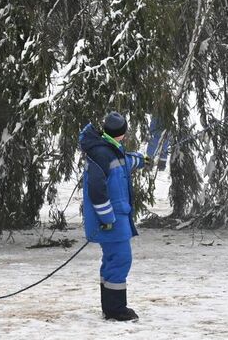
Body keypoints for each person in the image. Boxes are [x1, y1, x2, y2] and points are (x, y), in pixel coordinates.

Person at [79, 111, 145, 322]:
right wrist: (107, 219)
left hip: (117, 219)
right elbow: (97, 192)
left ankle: (110, 308)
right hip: (111, 221)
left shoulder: (108, 148)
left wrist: (142, 160)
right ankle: (116, 311)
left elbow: (123, 162)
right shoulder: (103, 154)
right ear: (121, 133)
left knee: (112, 261)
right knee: (120, 260)